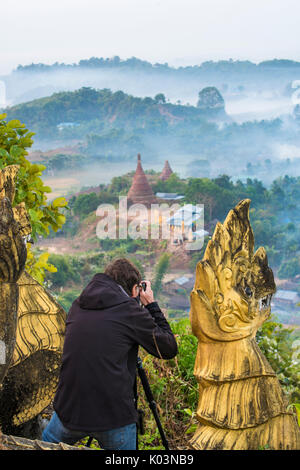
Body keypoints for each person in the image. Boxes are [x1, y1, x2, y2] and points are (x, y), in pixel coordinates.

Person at [42, 258, 178, 450]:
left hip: (69, 410)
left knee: (40, 445)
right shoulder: (129, 310)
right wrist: (151, 305)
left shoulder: (77, 305)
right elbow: (168, 348)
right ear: (134, 289)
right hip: (114, 417)